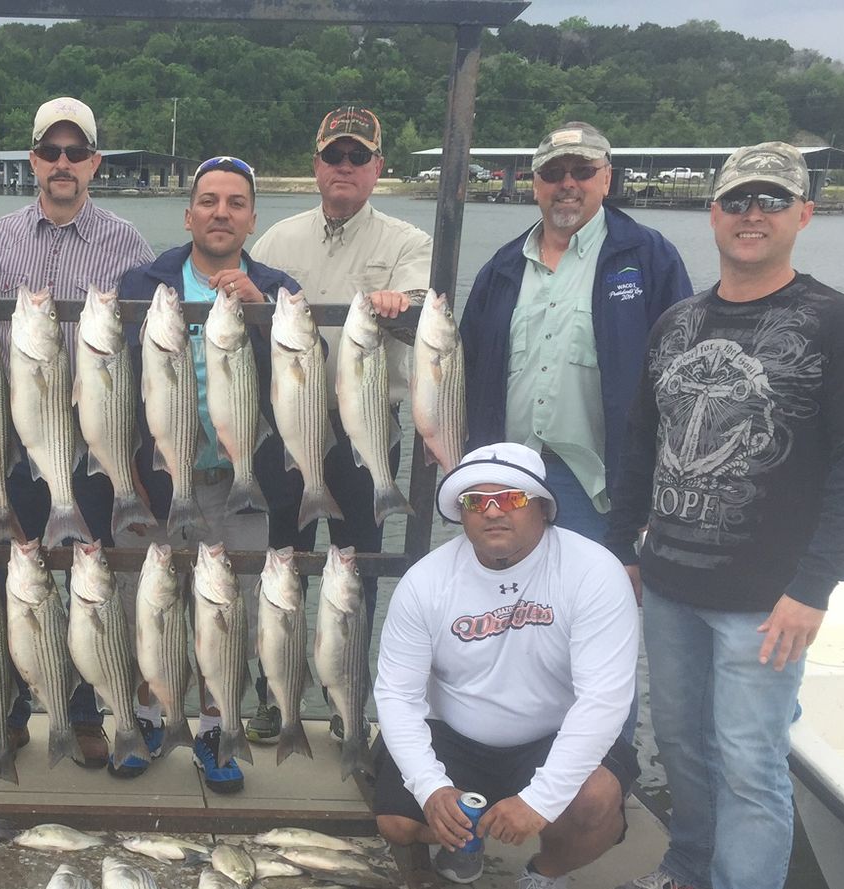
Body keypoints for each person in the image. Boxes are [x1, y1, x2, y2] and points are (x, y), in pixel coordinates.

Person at [603, 143, 844, 889]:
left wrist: (815, 586)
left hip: (768, 599)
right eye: (737, 199)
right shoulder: (676, 321)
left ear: (804, 215)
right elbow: (640, 441)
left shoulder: (838, 324)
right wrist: (625, 545)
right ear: (713, 214)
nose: (752, 214)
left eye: (772, 199)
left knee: (754, 767)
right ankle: (690, 866)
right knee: (682, 743)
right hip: (673, 580)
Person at [372, 443, 639, 889]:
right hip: (455, 733)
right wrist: (432, 789)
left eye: (511, 498)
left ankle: (546, 873)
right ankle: (467, 836)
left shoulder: (595, 572)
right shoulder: (424, 581)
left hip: (552, 735)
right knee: (396, 823)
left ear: (543, 507)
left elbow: (603, 701)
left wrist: (540, 801)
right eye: (476, 502)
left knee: (594, 804)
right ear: (462, 515)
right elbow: (397, 696)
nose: (493, 511)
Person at [117, 154, 302, 793]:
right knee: (149, 606)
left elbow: (308, 374)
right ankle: (148, 720)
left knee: (231, 614)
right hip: (159, 478)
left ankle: (216, 731)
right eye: (209, 201)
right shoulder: (144, 282)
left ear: (252, 219)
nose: (221, 213)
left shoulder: (278, 287)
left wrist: (265, 314)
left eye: (235, 203)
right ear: (188, 214)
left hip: (240, 480)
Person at [0, 96, 156, 769]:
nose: (62, 163)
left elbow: (147, 343)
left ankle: (83, 711)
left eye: (74, 152)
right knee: (12, 573)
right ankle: (12, 708)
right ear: (33, 160)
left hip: (92, 442)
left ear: (94, 163)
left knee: (90, 579)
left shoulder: (127, 243)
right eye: (50, 151)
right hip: (17, 438)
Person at [250, 104, 433, 744]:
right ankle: (274, 695)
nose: (345, 166)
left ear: (378, 167)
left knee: (356, 572)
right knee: (281, 566)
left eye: (359, 156)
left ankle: (346, 698)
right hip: (287, 429)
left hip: (367, 433)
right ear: (317, 165)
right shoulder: (276, 241)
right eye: (334, 155)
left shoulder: (408, 243)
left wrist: (400, 305)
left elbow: (424, 314)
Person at [461, 120, 692, 542]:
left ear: (606, 178)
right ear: (535, 185)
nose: (567, 183)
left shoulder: (651, 258)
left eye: (582, 171)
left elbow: (683, 379)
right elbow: (467, 369)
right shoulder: (500, 268)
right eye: (553, 173)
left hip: (602, 486)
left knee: (602, 586)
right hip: (508, 481)